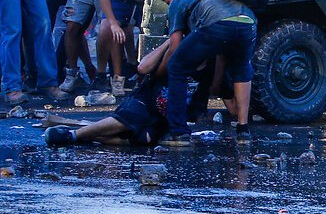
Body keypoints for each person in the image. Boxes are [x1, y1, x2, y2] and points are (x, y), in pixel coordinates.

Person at [43, 38, 221, 147]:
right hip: (146, 101)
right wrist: (170, 41)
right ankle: (74, 135)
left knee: (145, 139)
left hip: (166, 116)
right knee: (131, 120)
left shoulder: (212, 64)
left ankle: (90, 138)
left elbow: (213, 89)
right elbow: (143, 68)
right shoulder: (175, 53)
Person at [157, 0, 255, 146]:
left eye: (167, 1)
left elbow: (175, 48)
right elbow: (221, 55)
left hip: (216, 23)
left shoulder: (179, 0)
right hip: (249, 22)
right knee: (242, 70)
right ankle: (243, 131)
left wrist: (158, 74)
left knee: (176, 67)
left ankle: (178, 132)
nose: (168, 5)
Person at [96, 0, 178, 96]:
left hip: (148, 1)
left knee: (150, 29)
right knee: (108, 28)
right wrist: (114, 23)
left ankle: (144, 73)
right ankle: (110, 76)